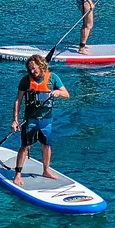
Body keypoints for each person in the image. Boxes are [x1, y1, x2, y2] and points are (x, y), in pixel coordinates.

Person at [10, 54, 69, 184]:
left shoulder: (53, 78)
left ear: (41, 66)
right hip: (30, 120)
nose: (32, 72)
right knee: (25, 146)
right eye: (30, 69)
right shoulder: (25, 80)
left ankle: (46, 170)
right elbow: (18, 101)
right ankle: (18, 174)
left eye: (34, 69)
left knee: (46, 145)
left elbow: (66, 94)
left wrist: (58, 93)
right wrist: (15, 120)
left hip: (46, 121)